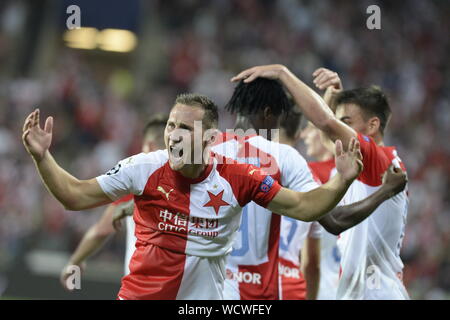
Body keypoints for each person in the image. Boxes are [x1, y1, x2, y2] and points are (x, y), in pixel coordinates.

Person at [22, 93, 362, 300]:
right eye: (171, 126)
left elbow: (303, 207)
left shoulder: (238, 177)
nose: (174, 136)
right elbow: (74, 195)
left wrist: (343, 181)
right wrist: (43, 157)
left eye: (185, 129)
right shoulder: (143, 168)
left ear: (211, 138)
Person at [232, 64, 409, 299]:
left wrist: (282, 73)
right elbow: (328, 134)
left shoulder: (378, 159)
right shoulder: (374, 165)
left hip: (374, 292)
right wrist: (334, 96)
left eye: (346, 121)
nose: (340, 128)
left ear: (373, 125)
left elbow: (325, 123)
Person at [60, 117, 167, 290]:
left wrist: (75, 261)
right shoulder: (195, 184)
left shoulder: (141, 177)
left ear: (150, 145)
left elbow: (101, 231)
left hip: (143, 286)